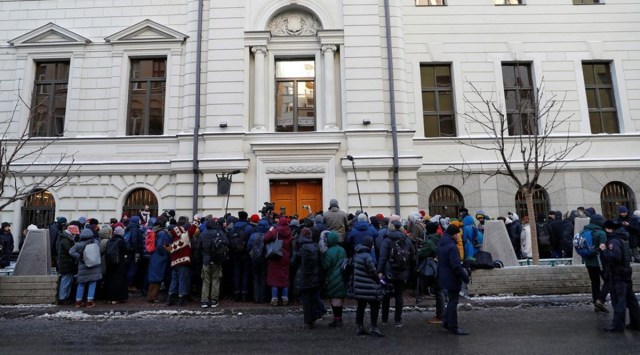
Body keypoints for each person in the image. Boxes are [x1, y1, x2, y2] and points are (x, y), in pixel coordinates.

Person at [601, 221, 640, 332]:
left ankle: (618, 325)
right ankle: (636, 323)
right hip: (626, 271)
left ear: (609, 229)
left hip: (618, 273)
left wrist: (604, 250)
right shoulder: (623, 238)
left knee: (619, 300)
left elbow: (615, 256)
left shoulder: (613, 241)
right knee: (631, 299)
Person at [377, 219, 414, 327]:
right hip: (402, 272)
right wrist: (409, 271)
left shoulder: (387, 240)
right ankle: (398, 320)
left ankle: (384, 319)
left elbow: (383, 257)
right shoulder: (406, 239)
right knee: (399, 296)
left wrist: (379, 271)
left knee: (386, 295)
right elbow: (412, 256)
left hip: (389, 272)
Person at [437, 224, 470, 335]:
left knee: (451, 301)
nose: (459, 236)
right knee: (453, 303)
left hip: (444, 276)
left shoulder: (442, 244)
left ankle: (446, 322)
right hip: (452, 277)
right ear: (454, 234)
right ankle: (453, 327)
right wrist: (465, 278)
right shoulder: (452, 247)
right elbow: (456, 265)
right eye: (458, 234)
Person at [352, 236, 384, 337]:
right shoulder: (368, 257)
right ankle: (373, 327)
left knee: (360, 307)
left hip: (359, 286)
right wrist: (379, 279)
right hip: (369, 287)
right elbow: (373, 272)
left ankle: (359, 326)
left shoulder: (357, 254)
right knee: (375, 305)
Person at [580, 214, 609, 313]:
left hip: (588, 262)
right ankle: (600, 300)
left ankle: (596, 304)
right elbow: (603, 248)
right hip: (600, 262)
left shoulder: (584, 231)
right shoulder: (601, 233)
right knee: (609, 280)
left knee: (595, 283)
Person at [293, 228, 321, 329]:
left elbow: (293, 262)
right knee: (313, 298)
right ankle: (313, 318)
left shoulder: (299, 247)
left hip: (303, 276)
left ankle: (307, 321)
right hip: (314, 275)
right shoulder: (315, 246)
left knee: (306, 300)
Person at [197, 217, 228, 308]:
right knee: (215, 280)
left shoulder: (203, 233)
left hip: (205, 260)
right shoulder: (218, 232)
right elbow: (226, 242)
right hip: (217, 260)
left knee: (206, 281)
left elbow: (199, 247)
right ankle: (214, 300)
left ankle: (204, 301)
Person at [418, 221, 445, 324]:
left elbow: (421, 254)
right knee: (440, 291)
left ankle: (440, 316)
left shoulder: (430, 241)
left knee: (439, 291)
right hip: (443, 267)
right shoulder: (441, 238)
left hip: (435, 269)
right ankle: (441, 314)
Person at [69, 228, 102, 308]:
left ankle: (78, 301)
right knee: (92, 283)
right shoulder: (95, 242)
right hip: (94, 265)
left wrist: (79, 256)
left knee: (81, 284)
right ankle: (90, 301)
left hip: (83, 266)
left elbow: (71, 251)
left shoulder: (79, 244)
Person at [264, 217, 293, 306]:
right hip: (285, 257)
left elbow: (265, 238)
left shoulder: (275, 231)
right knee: (284, 278)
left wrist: (270, 230)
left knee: (274, 278)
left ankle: (274, 298)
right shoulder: (289, 232)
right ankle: (285, 298)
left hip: (275, 257)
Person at [322, 231, 347, 328]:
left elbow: (326, 266)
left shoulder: (328, 252)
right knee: (339, 299)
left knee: (334, 299)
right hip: (342, 276)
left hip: (332, 277)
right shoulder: (342, 250)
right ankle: (339, 318)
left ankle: (336, 320)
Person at [166, 224, 192, 306]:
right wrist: (196, 220)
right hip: (183, 263)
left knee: (174, 281)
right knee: (182, 281)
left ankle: (170, 298)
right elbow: (192, 230)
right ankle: (181, 299)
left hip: (174, 264)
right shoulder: (183, 238)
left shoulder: (172, 243)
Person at [146, 217, 171, 303]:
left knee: (154, 278)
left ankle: (150, 296)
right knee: (157, 278)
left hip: (154, 256)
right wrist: (164, 253)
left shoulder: (154, 231)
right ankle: (153, 297)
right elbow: (160, 245)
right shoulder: (162, 233)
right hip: (159, 258)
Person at [103, 226, 129, 304]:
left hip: (109, 263)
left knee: (110, 280)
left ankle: (109, 298)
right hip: (119, 263)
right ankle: (116, 298)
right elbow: (125, 251)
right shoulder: (121, 241)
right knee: (118, 281)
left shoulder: (110, 240)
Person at [56, 225, 78, 305]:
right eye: (74, 233)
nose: (75, 235)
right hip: (66, 264)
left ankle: (65, 297)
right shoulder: (66, 240)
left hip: (68, 263)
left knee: (67, 281)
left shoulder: (67, 239)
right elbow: (70, 251)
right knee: (65, 282)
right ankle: (62, 298)